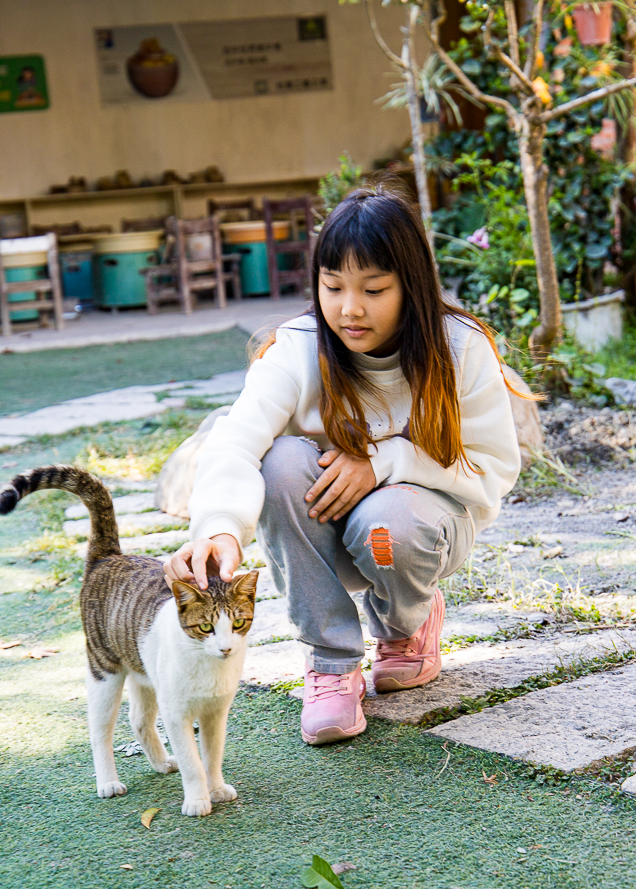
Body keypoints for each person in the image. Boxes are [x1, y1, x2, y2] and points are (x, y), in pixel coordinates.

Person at [164, 186, 522, 745]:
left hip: (414, 533)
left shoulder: (461, 348)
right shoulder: (299, 347)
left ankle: (406, 623)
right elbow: (235, 440)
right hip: (324, 531)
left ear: (412, 286)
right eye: (333, 287)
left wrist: (383, 461)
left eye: (373, 289)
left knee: (386, 521)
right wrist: (219, 527)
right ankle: (330, 663)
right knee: (279, 462)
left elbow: (494, 467)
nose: (349, 308)